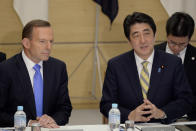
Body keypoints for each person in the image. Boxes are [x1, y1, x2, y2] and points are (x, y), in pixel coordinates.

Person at [100, 12, 193, 124]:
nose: (143, 40)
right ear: (129, 40)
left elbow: (185, 100)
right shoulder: (116, 65)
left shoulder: (173, 63)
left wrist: (162, 113)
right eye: (136, 35)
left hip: (162, 127)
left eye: (146, 33)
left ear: (154, 35)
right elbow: (106, 104)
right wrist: (129, 115)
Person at [0, 20, 72, 128]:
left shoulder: (58, 68)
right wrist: (29, 123)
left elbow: (65, 108)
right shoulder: (6, 69)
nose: (48, 47)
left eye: (51, 41)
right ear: (26, 43)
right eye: (42, 41)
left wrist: (53, 119)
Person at [155, 12, 196, 121]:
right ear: (167, 35)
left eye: (182, 44)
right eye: (172, 42)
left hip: (191, 120)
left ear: (189, 38)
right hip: (157, 119)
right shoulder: (152, 54)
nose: (177, 48)